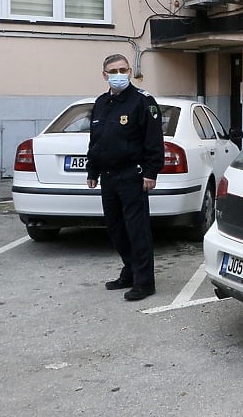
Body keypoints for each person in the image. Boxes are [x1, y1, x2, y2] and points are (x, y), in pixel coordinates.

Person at [86, 54, 164, 301]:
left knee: (136, 230)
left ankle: (144, 281)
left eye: (122, 69)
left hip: (133, 175)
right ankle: (129, 271)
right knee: (116, 229)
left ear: (130, 72)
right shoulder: (100, 103)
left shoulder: (143, 102)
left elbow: (154, 140)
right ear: (104, 75)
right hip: (108, 177)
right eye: (112, 71)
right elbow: (96, 140)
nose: (117, 74)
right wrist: (92, 169)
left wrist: (151, 171)